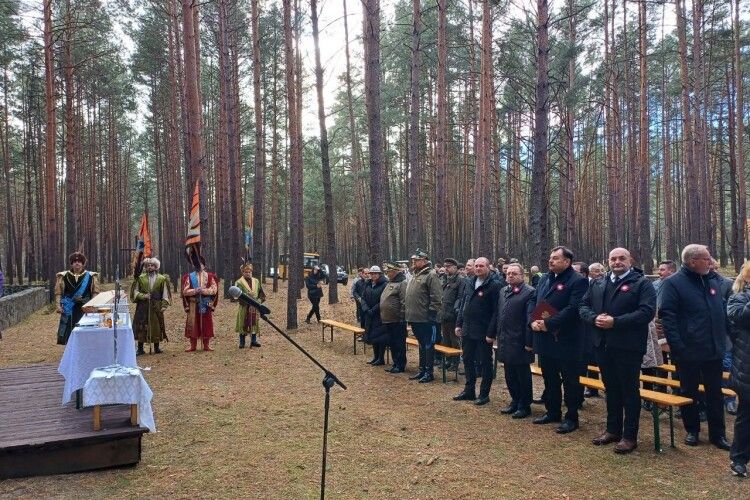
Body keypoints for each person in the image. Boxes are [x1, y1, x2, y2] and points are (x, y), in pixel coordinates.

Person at [580, 248, 656, 454]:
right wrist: (593, 318)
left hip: (628, 346)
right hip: (602, 345)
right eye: (613, 258)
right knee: (610, 388)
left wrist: (616, 322)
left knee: (629, 391)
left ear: (630, 260)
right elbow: (583, 305)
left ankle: (630, 436)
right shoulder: (598, 282)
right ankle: (612, 429)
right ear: (608, 261)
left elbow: (647, 312)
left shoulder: (641, 284)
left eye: (622, 258)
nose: (617, 262)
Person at [658, 244, 731, 450]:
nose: (710, 262)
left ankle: (718, 434)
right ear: (693, 261)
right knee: (688, 390)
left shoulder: (712, 280)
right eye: (706, 259)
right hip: (687, 350)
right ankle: (692, 430)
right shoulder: (674, 283)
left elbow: (721, 311)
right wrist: (678, 346)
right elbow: (668, 317)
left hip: (714, 349)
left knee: (715, 393)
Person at [530, 246, 588, 434]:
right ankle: (552, 412)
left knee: (570, 380)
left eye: (555, 258)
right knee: (550, 377)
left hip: (566, 339)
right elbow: (534, 300)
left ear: (567, 261)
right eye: (550, 257)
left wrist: (548, 323)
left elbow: (573, 309)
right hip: (545, 338)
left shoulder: (578, 281)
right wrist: (533, 320)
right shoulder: (546, 278)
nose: (550, 260)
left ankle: (571, 417)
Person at [487, 263, 535, 418]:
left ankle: (524, 405)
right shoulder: (503, 291)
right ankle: (515, 400)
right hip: (504, 339)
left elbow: (530, 319)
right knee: (509, 374)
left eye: (514, 273)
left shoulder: (529, 292)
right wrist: (491, 332)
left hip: (520, 341)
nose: (510, 276)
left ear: (522, 276)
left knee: (522, 374)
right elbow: (497, 313)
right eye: (508, 273)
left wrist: (529, 343)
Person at [454, 257, 500, 405]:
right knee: (467, 360)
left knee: (485, 362)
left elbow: (496, 312)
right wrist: (458, 324)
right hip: (467, 329)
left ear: (488, 267)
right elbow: (463, 304)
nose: (478, 268)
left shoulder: (494, 285)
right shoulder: (470, 282)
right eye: (476, 266)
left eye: (481, 266)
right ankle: (469, 390)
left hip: (483, 331)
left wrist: (491, 333)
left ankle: (484, 394)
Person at [725, 261, 750, 477]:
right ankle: (739, 459)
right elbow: (740, 317)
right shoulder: (739, 298)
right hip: (746, 367)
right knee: (747, 416)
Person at [405, 248, 443, 383]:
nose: (414, 262)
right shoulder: (416, 274)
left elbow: (436, 296)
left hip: (426, 317)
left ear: (424, 261)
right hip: (415, 317)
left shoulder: (431, 275)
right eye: (413, 260)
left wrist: (432, 313)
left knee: (428, 344)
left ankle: (429, 372)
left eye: (416, 260)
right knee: (421, 344)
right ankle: (421, 370)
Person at [55, 252, 101, 345]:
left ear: (83, 263)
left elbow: (95, 292)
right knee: (68, 330)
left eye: (79, 261)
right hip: (69, 308)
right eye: (75, 261)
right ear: (71, 263)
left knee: (85, 329)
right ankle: (70, 348)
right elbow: (58, 293)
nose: (77, 263)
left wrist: (92, 305)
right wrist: (58, 306)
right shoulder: (63, 276)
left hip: (84, 307)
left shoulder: (91, 276)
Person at [130, 257, 171, 355]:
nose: (150, 267)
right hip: (143, 306)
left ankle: (157, 347)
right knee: (141, 325)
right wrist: (143, 296)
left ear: (156, 267)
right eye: (148, 265)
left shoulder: (162, 279)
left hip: (156, 306)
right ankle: (140, 348)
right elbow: (135, 291)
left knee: (156, 325)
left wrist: (164, 305)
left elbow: (165, 293)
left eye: (152, 265)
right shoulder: (140, 278)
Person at [181, 258, 219, 352]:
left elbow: (214, 290)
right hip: (193, 304)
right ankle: (193, 346)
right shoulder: (189, 277)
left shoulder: (210, 276)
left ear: (204, 265)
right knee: (192, 324)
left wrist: (204, 291)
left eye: (201, 264)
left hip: (205, 304)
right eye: (196, 264)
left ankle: (206, 345)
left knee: (206, 323)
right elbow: (185, 291)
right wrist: (195, 290)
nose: (199, 266)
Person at [380, 262, 408, 373]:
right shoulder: (391, 282)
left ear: (395, 271)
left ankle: (400, 365)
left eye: (389, 271)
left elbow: (404, 301)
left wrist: (402, 317)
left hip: (397, 320)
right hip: (389, 319)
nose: (387, 273)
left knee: (399, 343)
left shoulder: (402, 283)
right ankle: (395, 363)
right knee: (392, 342)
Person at [234, 262, 266, 349]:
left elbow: (261, 294)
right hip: (244, 306)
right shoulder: (239, 282)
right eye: (246, 272)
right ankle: (242, 341)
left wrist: (258, 302)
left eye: (249, 272)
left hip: (254, 306)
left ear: (251, 272)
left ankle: (254, 340)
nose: (248, 273)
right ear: (242, 272)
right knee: (243, 323)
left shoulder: (256, 281)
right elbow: (237, 296)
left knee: (254, 323)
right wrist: (247, 298)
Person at [361, 265, 388, 365]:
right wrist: (366, 309)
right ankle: (375, 357)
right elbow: (363, 297)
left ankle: (381, 358)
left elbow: (383, 300)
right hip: (369, 314)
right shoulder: (368, 284)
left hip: (379, 315)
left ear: (379, 274)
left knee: (380, 337)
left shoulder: (384, 284)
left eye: (375, 273)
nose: (373, 275)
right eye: (372, 274)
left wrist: (373, 310)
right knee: (372, 335)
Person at [440, 258, 462, 365]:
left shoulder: (460, 280)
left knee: (455, 341)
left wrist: (456, 313)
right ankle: (448, 361)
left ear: (455, 267)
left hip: (453, 316)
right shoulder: (446, 279)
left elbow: (460, 298)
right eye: (445, 267)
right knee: (446, 340)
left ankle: (455, 362)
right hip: (444, 315)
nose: (446, 269)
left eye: (448, 267)